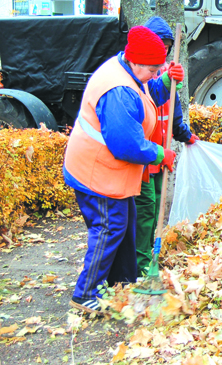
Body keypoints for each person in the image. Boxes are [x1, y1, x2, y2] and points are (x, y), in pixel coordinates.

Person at [63, 25, 175, 314]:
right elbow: (126, 144)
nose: (154, 74)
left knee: (124, 225)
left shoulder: (130, 72)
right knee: (109, 228)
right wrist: (160, 153)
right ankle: (85, 294)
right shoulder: (119, 91)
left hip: (112, 174)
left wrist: (165, 82)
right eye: (153, 70)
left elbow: (148, 97)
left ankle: (117, 284)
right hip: (95, 172)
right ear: (136, 62)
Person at [134, 16, 199, 277]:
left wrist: (186, 136)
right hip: (143, 157)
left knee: (159, 201)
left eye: (166, 45)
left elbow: (174, 113)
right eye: (159, 43)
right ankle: (140, 264)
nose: (162, 48)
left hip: (160, 155)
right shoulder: (141, 74)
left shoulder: (165, 73)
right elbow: (147, 95)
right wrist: (163, 81)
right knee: (147, 208)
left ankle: (151, 250)